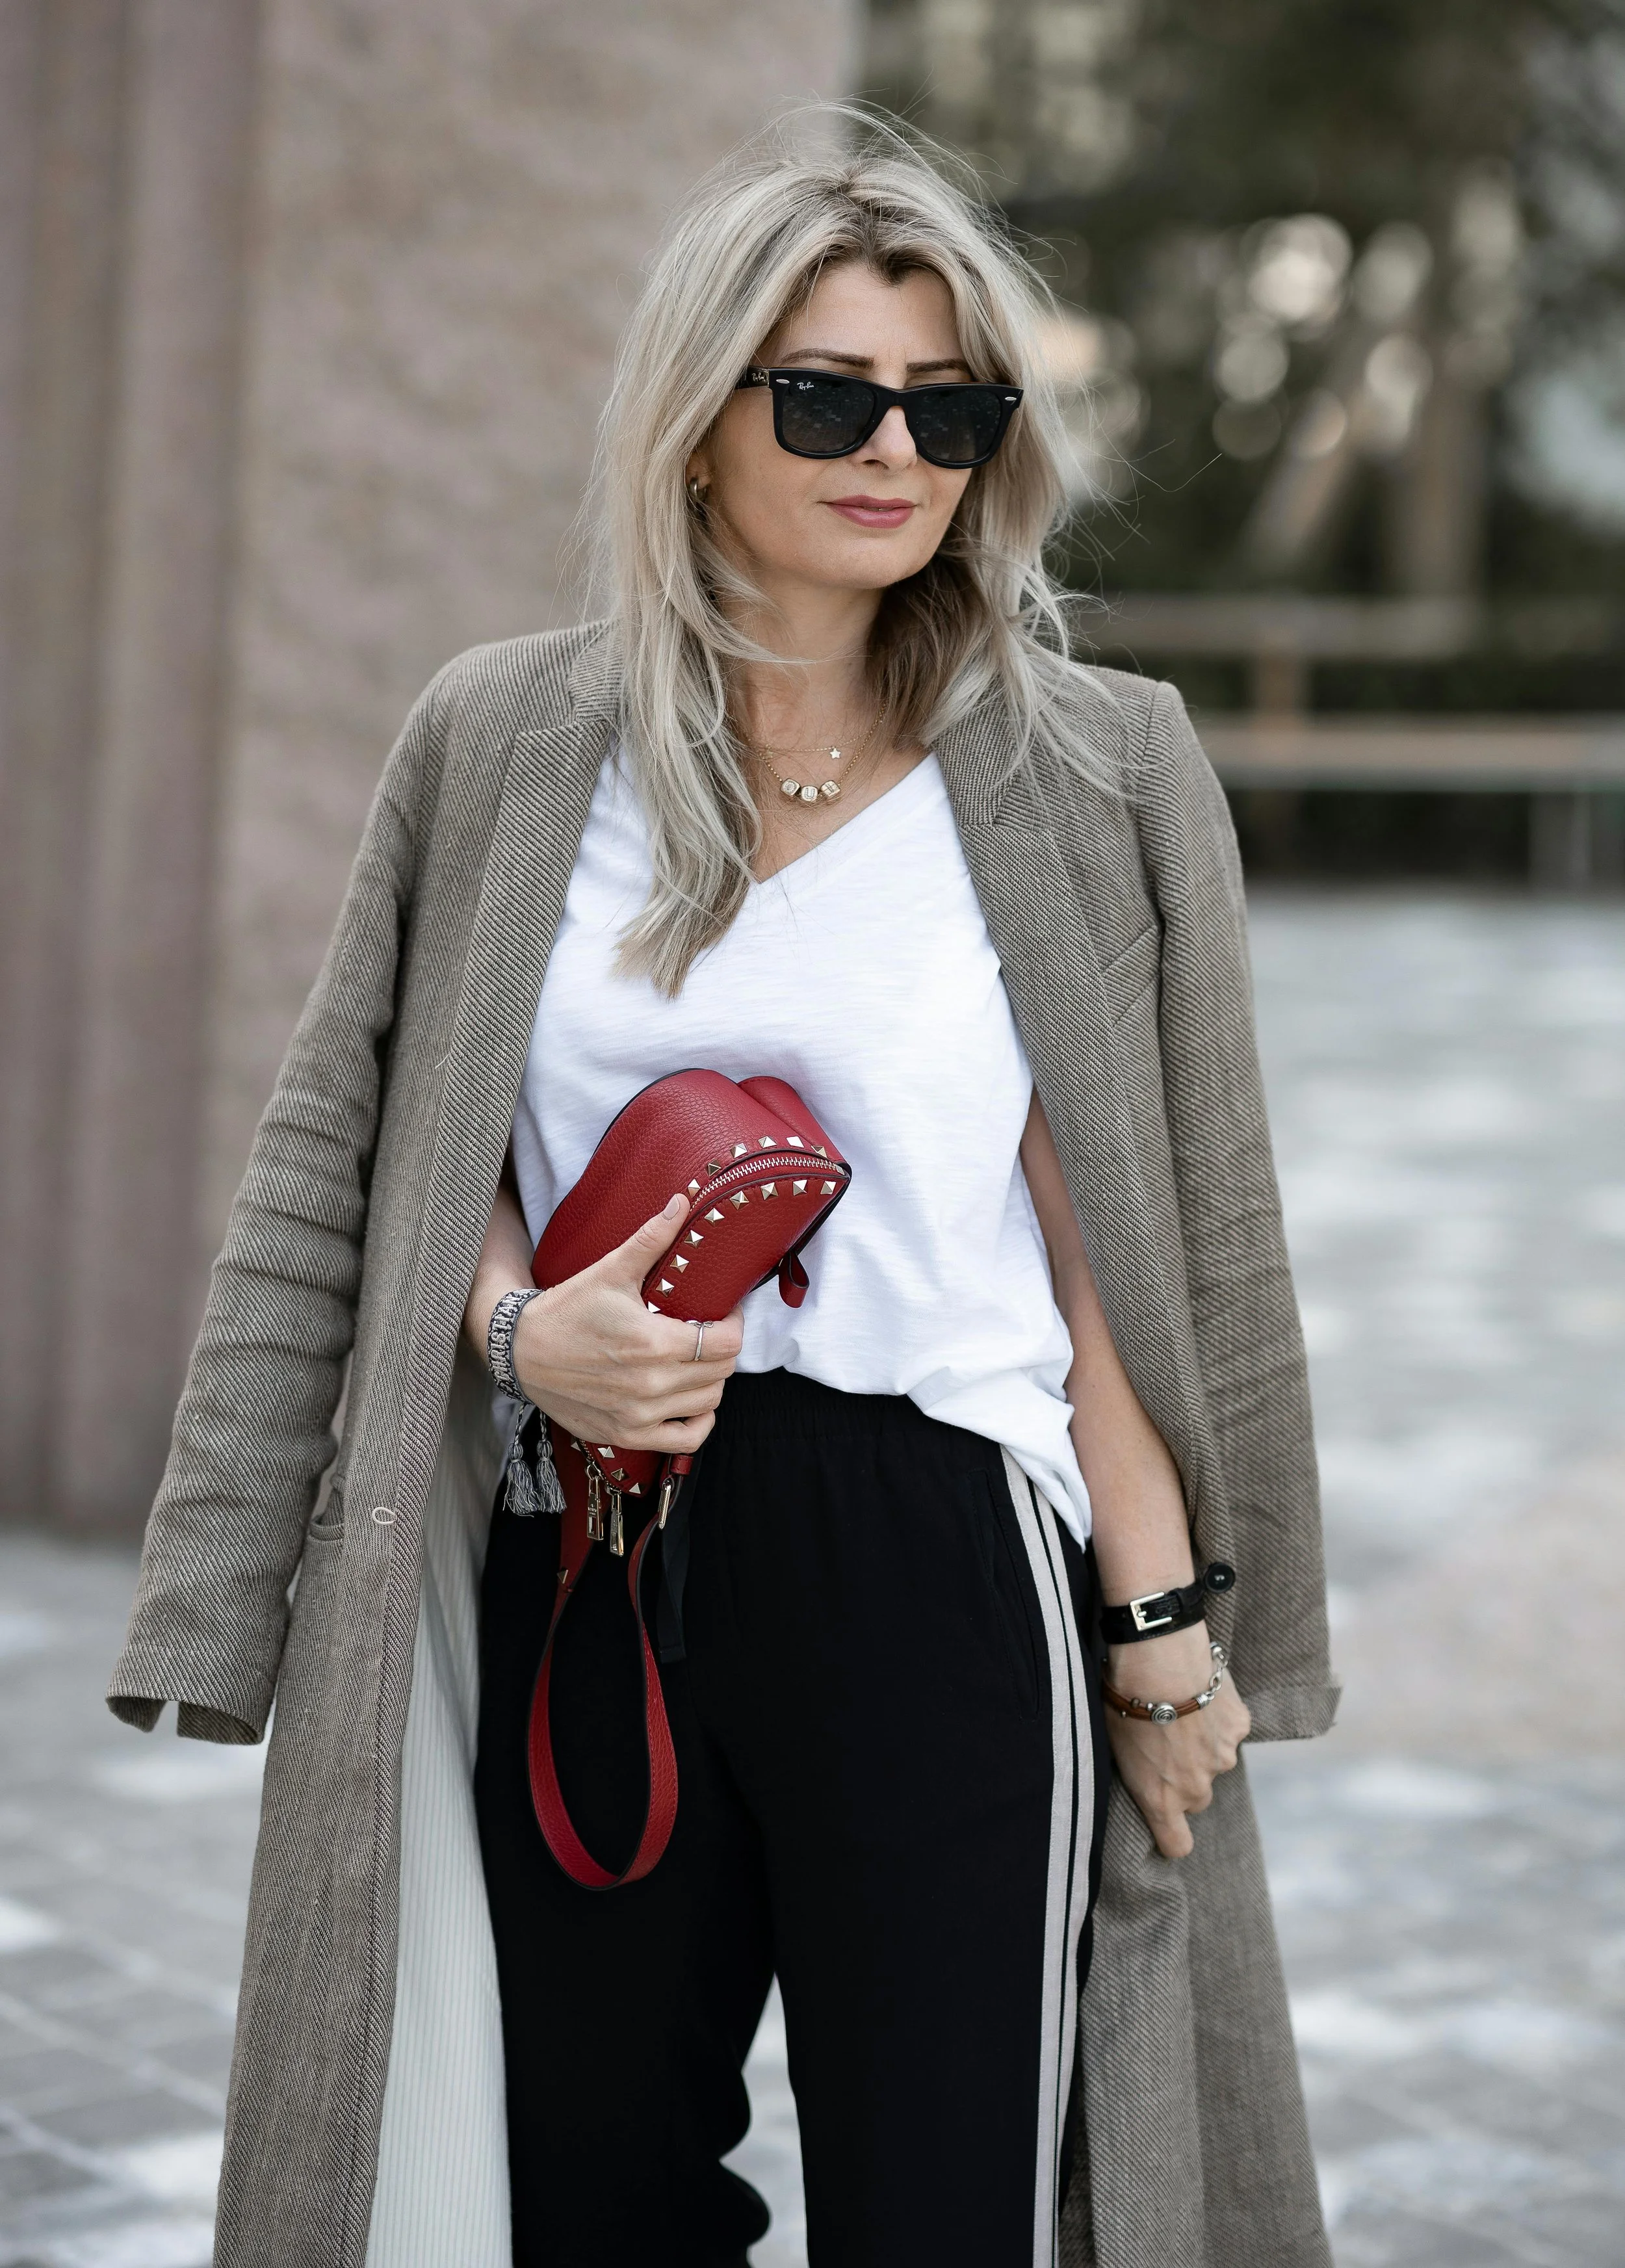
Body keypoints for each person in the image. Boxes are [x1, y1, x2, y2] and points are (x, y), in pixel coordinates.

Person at [109, 112, 1337, 2268]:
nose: (896, 450)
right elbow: (395, 1147)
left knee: (938, 2196)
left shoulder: (1090, 767)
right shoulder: (502, 743)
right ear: (696, 428)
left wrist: (1157, 1638)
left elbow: (1121, 1247)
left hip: (938, 1551)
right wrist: (522, 1336)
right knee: (581, 2190)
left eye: (948, 406)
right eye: (829, 396)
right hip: (595, 1549)